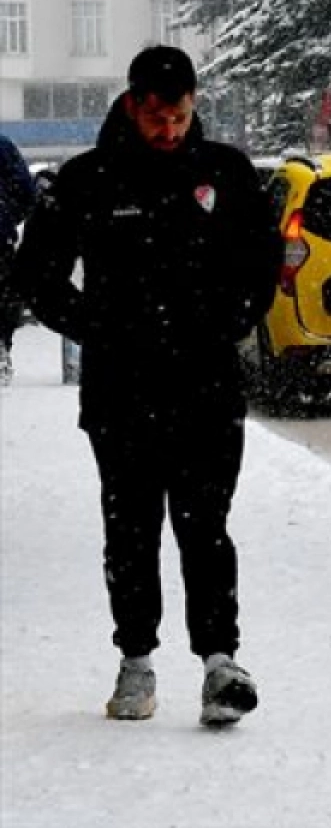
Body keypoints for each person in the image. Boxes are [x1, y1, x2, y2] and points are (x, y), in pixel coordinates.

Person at [15, 46, 280, 726]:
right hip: (122, 391)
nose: (169, 130)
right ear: (133, 104)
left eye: (181, 115)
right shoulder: (87, 180)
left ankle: (220, 662)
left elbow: (262, 258)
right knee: (131, 529)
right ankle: (136, 661)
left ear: (195, 105)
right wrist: (97, 326)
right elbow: (36, 277)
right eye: (158, 117)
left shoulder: (225, 172)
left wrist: (234, 315)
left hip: (207, 387)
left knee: (206, 527)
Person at [0, 131, 37, 386]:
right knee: (4, 298)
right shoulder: (3, 148)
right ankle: (1, 346)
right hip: (0, 238)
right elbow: (26, 194)